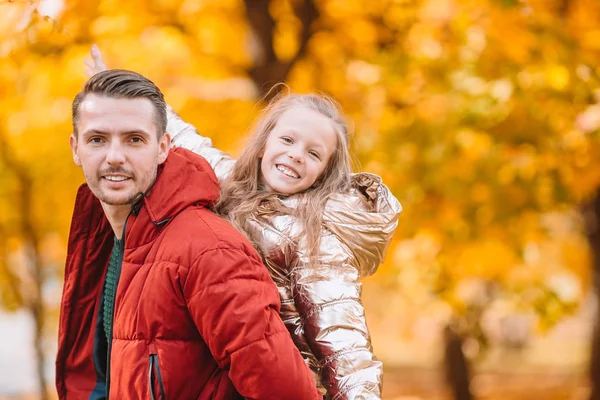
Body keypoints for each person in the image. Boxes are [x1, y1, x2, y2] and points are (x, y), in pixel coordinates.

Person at [87, 46, 402, 399]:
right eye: (287, 140)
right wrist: (113, 93)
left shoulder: (317, 237)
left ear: (324, 173)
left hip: (284, 378)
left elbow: (346, 345)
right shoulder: (230, 186)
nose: (295, 155)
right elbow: (185, 138)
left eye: (313, 153)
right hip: (233, 364)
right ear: (264, 144)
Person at [56, 68, 322, 400]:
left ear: (163, 147)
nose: (114, 157)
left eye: (134, 139)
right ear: (76, 148)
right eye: (97, 139)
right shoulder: (99, 240)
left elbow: (288, 394)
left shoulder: (209, 250)